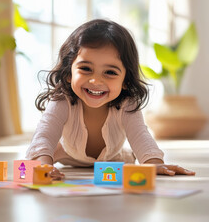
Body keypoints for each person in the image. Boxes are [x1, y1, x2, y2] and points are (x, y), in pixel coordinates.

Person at [26, 19, 195, 179]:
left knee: (132, 157)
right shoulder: (62, 100)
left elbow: (140, 135)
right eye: (85, 68)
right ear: (69, 73)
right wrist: (43, 164)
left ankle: (133, 155)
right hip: (67, 154)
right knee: (43, 152)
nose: (96, 81)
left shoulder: (127, 103)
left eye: (110, 72)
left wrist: (154, 163)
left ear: (126, 82)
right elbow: (45, 134)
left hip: (112, 158)